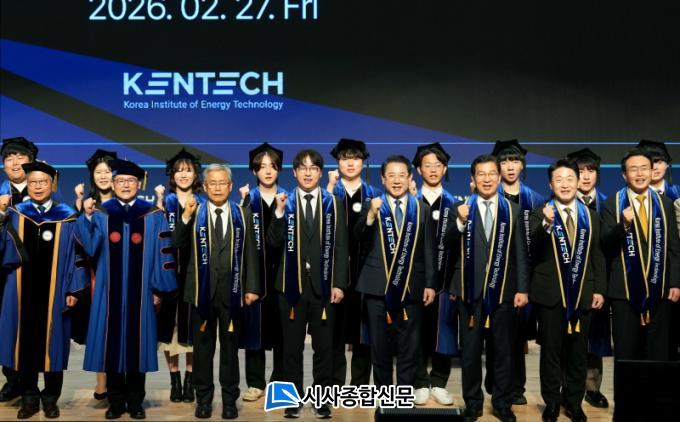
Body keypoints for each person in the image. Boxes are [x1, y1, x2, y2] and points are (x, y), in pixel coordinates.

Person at [76, 158, 177, 420]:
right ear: (113, 184)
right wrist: (87, 217)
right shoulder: (102, 213)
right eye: (120, 181)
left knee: (138, 345)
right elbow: (89, 248)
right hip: (108, 292)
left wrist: (158, 288)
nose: (125, 185)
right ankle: (115, 402)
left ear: (139, 184)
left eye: (130, 181)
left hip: (142, 292)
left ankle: (135, 402)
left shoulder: (153, 214)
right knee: (111, 345)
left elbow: (163, 254)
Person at [0, 161, 88, 419]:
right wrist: (1, 216)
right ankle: (29, 399)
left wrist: (73, 290)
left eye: (43, 182)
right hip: (20, 291)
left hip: (55, 292)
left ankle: (50, 399)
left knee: (54, 344)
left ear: (53, 184)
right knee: (24, 343)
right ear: (27, 184)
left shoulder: (67, 216)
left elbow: (77, 255)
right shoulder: (16, 214)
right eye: (33, 182)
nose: (38, 186)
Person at [446, 154, 529, 422]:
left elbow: (520, 253)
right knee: (470, 353)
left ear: (499, 176)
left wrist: (522, 288)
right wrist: (459, 223)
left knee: (503, 352)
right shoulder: (460, 208)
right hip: (468, 291)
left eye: (492, 173)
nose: (487, 178)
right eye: (481, 174)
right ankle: (473, 403)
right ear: (473, 179)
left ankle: (502, 403)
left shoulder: (512, 210)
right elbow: (446, 246)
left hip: (504, 292)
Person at [173, 163, 260, 419]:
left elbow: (251, 253)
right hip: (201, 292)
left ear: (230, 186)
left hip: (233, 291)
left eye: (223, 183)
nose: (218, 187)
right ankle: (203, 399)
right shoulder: (195, 212)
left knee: (230, 351)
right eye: (213, 183)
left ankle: (229, 400)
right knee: (202, 351)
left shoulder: (241, 214)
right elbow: (177, 243)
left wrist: (252, 287)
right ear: (205, 186)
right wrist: (185, 217)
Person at [267, 149, 348, 418]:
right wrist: (279, 214)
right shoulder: (284, 201)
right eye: (302, 168)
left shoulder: (333, 203)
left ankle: (321, 398)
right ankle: (292, 399)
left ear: (321, 173)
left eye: (313, 168)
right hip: (290, 287)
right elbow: (273, 243)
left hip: (324, 287)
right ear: (294, 173)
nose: (308, 172)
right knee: (291, 348)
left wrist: (339, 283)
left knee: (324, 348)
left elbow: (341, 246)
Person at [529, 159, 606, 422]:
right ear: (551, 184)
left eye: (570, 179)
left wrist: (599, 289)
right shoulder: (541, 212)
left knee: (578, 354)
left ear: (578, 182)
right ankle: (551, 403)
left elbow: (597, 256)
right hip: (550, 296)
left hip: (583, 294)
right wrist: (546, 224)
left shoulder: (590, 216)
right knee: (550, 353)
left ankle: (574, 402)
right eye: (559, 180)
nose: (565, 184)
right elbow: (532, 247)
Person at [354, 155, 436, 390]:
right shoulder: (372, 205)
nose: (397, 180)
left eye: (402, 175)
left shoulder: (421, 209)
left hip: (412, 288)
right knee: (379, 349)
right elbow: (358, 237)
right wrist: (370, 216)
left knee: (409, 349)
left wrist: (430, 283)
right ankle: (385, 397)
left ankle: (403, 397)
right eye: (391, 175)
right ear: (383, 179)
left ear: (410, 178)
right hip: (377, 288)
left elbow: (429, 249)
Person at [601, 149, 680, 380]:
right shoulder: (612, 203)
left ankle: (656, 399)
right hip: (624, 292)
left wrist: (675, 282)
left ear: (652, 171)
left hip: (661, 289)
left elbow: (674, 247)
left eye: (644, 168)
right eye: (633, 169)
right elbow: (605, 244)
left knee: (659, 352)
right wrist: (623, 225)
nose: (640, 174)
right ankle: (627, 400)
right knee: (627, 354)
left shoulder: (665, 204)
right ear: (624, 175)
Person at [491, 139, 545, 405]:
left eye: (514, 161)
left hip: (524, 276)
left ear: (522, 165)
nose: (510, 166)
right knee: (495, 335)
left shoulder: (535, 199)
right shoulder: (489, 196)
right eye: (504, 161)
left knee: (517, 335)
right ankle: (495, 383)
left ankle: (517, 388)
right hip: (493, 275)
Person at [326, 138, 381, 387]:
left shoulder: (374, 195)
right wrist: (329, 188)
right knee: (335, 332)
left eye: (356, 158)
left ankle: (359, 384)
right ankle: (335, 383)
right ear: (338, 162)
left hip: (365, 272)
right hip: (334, 273)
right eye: (345, 158)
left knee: (363, 332)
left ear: (363, 162)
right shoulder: (329, 194)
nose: (350, 163)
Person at [154, 148, 205, 403]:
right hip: (169, 275)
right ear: (172, 175)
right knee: (169, 331)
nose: (183, 175)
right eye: (179, 171)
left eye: (188, 170)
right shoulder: (165, 204)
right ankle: (174, 379)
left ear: (195, 174)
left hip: (196, 275)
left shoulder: (204, 203)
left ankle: (190, 380)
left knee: (193, 330)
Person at [237, 143, 286, 402]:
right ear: (254, 170)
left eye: (272, 166)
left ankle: (279, 380)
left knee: (282, 333)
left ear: (279, 169)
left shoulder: (288, 199)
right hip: (255, 277)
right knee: (254, 331)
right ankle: (255, 383)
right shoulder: (248, 201)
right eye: (262, 166)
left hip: (283, 276)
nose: (267, 171)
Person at [411, 142, 458, 406]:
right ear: (418, 169)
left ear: (445, 169)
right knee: (416, 332)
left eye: (437, 165)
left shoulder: (456, 204)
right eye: (427, 165)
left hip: (445, 280)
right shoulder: (411, 202)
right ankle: (419, 382)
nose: (432, 169)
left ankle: (439, 382)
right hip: (415, 279)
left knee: (444, 332)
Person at [565, 148, 611, 409]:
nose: (585, 176)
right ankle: (567, 387)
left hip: (596, 282)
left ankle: (592, 388)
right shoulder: (557, 203)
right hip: (566, 283)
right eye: (580, 170)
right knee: (567, 336)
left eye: (590, 170)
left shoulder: (608, 204)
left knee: (595, 336)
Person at [72, 148, 118, 401]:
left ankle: (118, 380)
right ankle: (101, 380)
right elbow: (81, 245)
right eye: (98, 172)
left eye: (108, 171)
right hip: (94, 275)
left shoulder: (123, 204)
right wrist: (84, 212)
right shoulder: (86, 204)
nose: (103, 176)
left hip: (119, 274)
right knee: (98, 329)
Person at [0, 136, 38, 403]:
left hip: (36, 271)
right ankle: (11, 379)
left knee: (31, 328)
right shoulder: (0, 194)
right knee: (5, 327)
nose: (14, 163)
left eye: (20, 157)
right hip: (4, 273)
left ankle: (30, 385)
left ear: (30, 161)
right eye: (8, 158)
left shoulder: (44, 190)